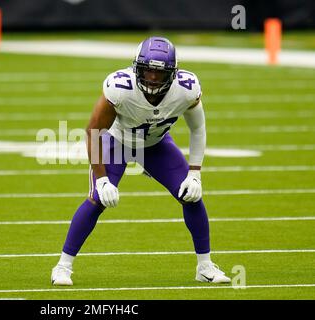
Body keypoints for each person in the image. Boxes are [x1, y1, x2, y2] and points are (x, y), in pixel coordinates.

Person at [51, 36, 231, 285]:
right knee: (96, 200)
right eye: (148, 71)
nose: (153, 78)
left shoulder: (186, 88)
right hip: (117, 143)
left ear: (173, 73)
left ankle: (205, 267)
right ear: (137, 67)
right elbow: (93, 131)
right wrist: (102, 180)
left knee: (191, 195)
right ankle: (62, 266)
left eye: (160, 73)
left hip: (155, 146)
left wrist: (195, 173)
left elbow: (198, 129)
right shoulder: (120, 87)